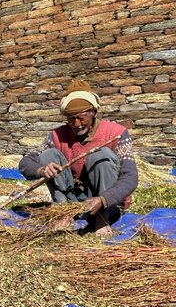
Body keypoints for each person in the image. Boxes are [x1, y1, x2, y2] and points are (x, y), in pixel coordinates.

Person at [18, 79, 138, 236]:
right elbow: (25, 163)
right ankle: (63, 213)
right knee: (49, 155)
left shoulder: (116, 133)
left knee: (102, 155)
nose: (76, 124)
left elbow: (130, 177)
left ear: (93, 112)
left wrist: (103, 200)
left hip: (107, 202)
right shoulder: (57, 136)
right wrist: (41, 170)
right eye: (70, 118)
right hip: (73, 202)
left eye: (81, 117)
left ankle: (102, 219)